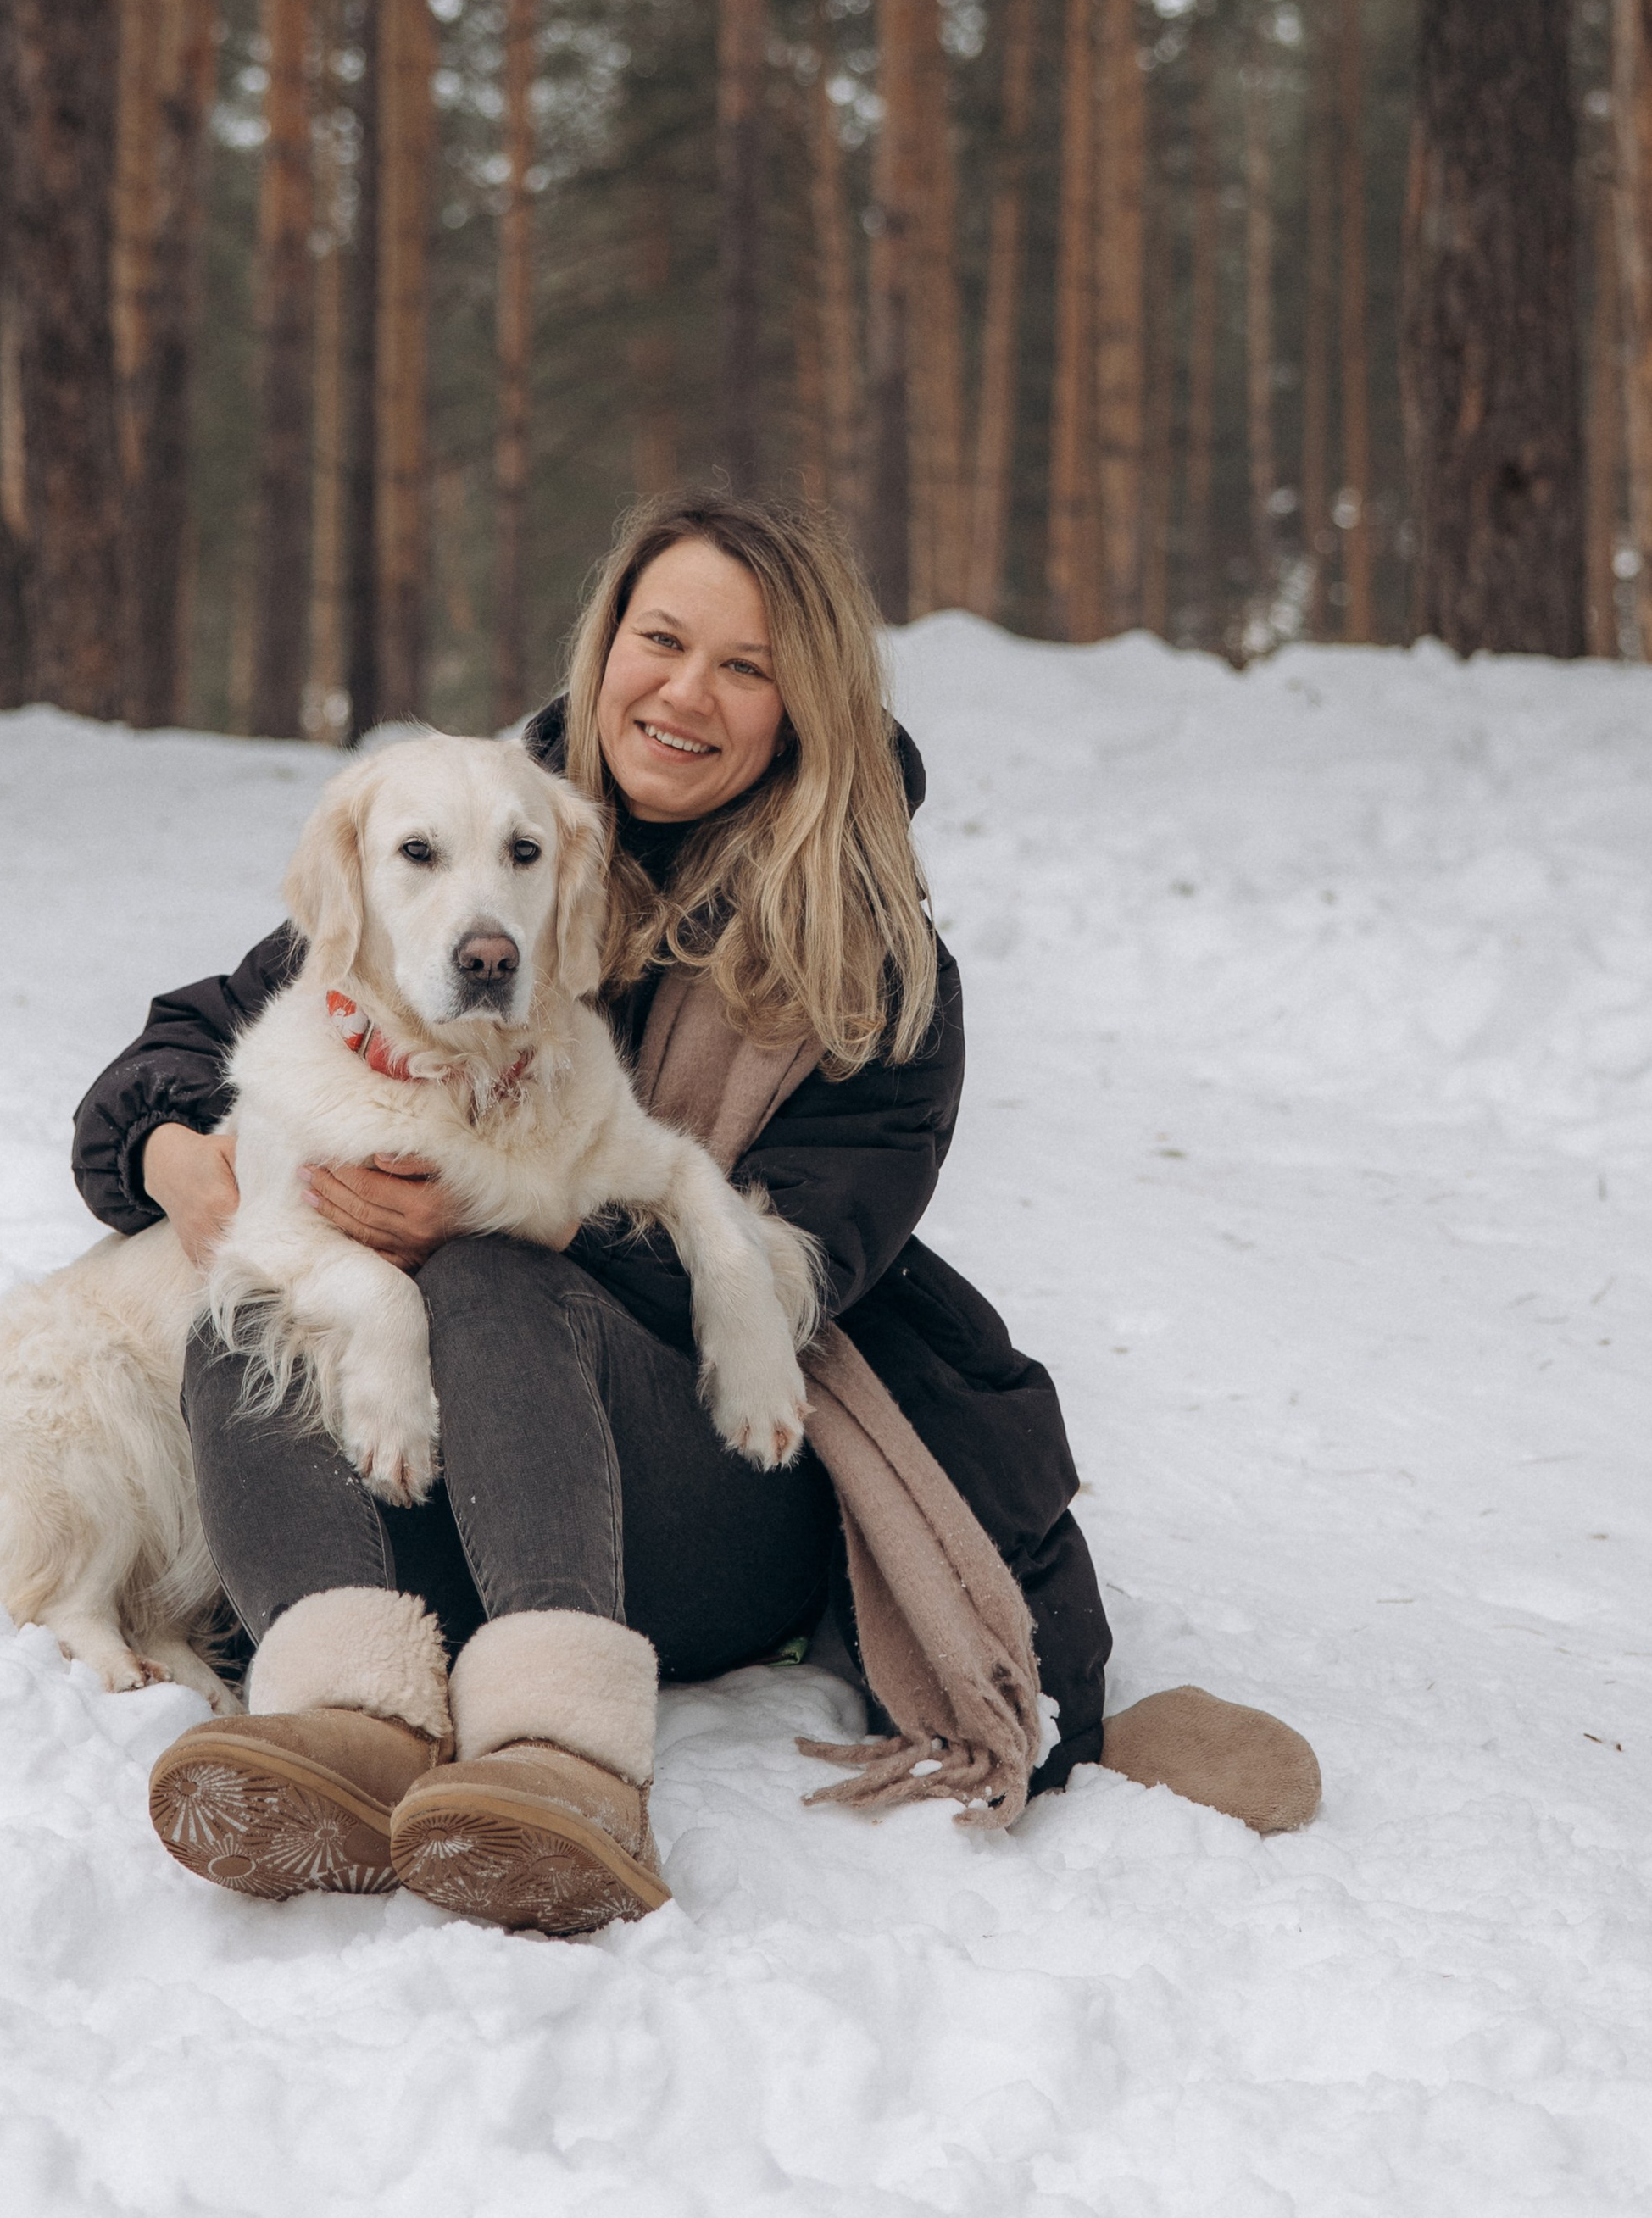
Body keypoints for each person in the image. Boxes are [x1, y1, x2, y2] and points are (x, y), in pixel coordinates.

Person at [70, 494, 1175, 1933]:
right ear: (605, 650)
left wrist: (498, 1214)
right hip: (444, 1479)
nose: (685, 692)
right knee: (259, 1294)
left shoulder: (874, 969)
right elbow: (193, 1037)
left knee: (486, 1281)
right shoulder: (462, 832)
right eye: (661, 640)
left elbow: (811, 1268)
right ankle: (340, 1730)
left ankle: (563, 1759)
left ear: (807, 701)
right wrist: (180, 1160)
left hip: (709, 1484)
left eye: (746, 664)